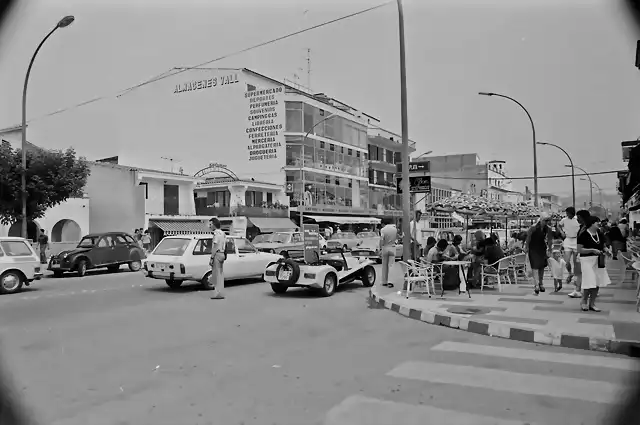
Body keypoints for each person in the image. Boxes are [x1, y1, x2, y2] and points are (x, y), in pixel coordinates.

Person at [577, 215, 610, 312]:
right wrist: (592, 250)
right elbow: (579, 249)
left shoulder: (600, 234)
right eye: (597, 222)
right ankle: (584, 302)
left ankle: (592, 303)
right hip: (587, 260)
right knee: (589, 281)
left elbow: (603, 246)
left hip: (598, 260)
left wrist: (607, 250)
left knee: (597, 282)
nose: (599, 224)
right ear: (591, 224)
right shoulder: (583, 235)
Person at [525, 212, 553, 295]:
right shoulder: (533, 228)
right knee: (535, 266)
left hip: (541, 248)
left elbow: (550, 239)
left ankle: (541, 283)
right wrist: (526, 247)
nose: (546, 222)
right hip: (533, 249)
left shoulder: (548, 228)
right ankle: (536, 284)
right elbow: (528, 238)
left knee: (541, 266)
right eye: (545, 220)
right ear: (541, 220)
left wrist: (550, 249)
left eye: (548, 221)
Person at [568, 209, 592, 299]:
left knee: (583, 272)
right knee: (580, 272)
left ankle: (582, 290)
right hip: (581, 252)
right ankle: (579, 289)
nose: (577, 220)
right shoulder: (582, 227)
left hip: (586, 253)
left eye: (578, 218)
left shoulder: (588, 228)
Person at [559, 207, 580, 287]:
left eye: (568, 213)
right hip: (567, 240)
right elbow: (559, 226)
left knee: (576, 261)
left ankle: (576, 278)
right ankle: (570, 273)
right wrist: (562, 232)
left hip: (576, 240)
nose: (566, 214)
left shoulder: (577, 219)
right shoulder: (564, 220)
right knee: (566, 261)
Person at [209, 217, 227, 300]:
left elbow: (215, 246)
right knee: (220, 274)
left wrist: (212, 257)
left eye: (210, 224)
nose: (210, 226)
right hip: (222, 254)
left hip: (217, 254)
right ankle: (220, 292)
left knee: (216, 274)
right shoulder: (223, 233)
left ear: (214, 224)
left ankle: (217, 293)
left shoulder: (216, 234)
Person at [379, 222, 398, 288]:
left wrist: (380, 248)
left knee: (384, 265)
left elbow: (381, 239)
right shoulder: (395, 230)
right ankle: (390, 281)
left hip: (385, 247)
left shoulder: (383, 230)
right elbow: (397, 238)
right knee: (391, 265)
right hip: (392, 247)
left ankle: (384, 281)